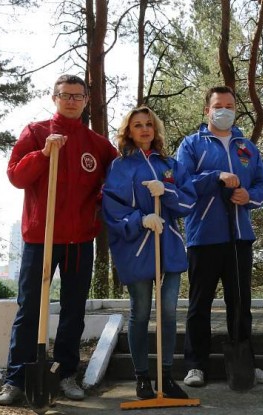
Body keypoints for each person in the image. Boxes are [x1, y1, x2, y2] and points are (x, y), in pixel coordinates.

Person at [0, 74, 118, 406]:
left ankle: (65, 374)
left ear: (87, 101)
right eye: (66, 95)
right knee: (30, 310)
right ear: (54, 97)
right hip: (41, 239)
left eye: (78, 96)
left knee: (73, 311)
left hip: (79, 241)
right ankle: (16, 379)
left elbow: (118, 180)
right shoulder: (36, 133)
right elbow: (16, 176)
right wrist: (44, 155)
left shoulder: (97, 144)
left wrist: (101, 200)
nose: (72, 101)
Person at [175, 86, 263, 387]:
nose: (224, 110)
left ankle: (245, 364)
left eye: (230, 105)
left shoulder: (246, 147)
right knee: (199, 304)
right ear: (207, 110)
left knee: (240, 303)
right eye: (218, 105)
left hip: (239, 237)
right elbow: (182, 184)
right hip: (204, 236)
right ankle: (196, 366)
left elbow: (262, 183)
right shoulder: (192, 144)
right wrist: (215, 176)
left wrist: (250, 196)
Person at [102, 107, 196, 400]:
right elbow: (111, 206)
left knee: (168, 313)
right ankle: (142, 377)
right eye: (137, 125)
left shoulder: (170, 165)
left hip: (168, 246)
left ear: (155, 129)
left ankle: (165, 376)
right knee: (140, 312)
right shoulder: (120, 166)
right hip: (136, 247)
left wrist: (165, 192)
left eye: (148, 125)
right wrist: (140, 219)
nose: (144, 130)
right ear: (128, 131)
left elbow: (189, 201)